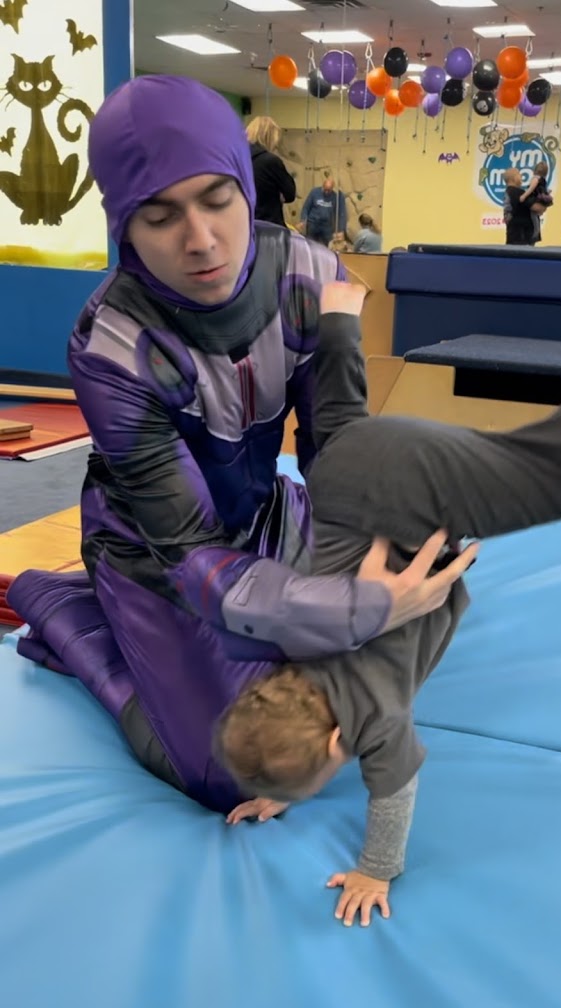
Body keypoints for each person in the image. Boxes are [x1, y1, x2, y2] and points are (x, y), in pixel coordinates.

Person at [6, 75, 473, 815]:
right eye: (160, 215)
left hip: (263, 516)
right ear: (123, 225)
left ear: (245, 189)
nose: (200, 240)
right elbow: (191, 554)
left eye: (217, 199)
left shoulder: (310, 276)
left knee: (437, 565)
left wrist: (383, 551)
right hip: (159, 553)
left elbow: (339, 457)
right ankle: (71, 614)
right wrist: (353, 614)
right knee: (235, 766)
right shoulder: (111, 346)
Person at [215, 281, 561, 928]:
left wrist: (376, 870)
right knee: (339, 426)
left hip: (419, 490)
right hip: (347, 470)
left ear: (341, 739)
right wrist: (278, 788)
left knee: (554, 480)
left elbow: (394, 793)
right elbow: (287, 717)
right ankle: (339, 318)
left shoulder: (373, 717)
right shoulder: (288, 651)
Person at [245, 115, 296, 228]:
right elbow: (290, 194)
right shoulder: (271, 162)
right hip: (269, 227)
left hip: (245, 225)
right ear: (270, 138)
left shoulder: (237, 159)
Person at [300, 178, 347, 246]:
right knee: (310, 244)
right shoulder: (314, 192)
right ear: (323, 186)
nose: (326, 192)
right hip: (313, 223)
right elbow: (306, 207)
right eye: (325, 189)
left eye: (329, 190)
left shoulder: (335, 197)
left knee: (328, 245)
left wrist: (341, 229)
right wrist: (303, 220)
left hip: (326, 225)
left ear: (332, 189)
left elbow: (341, 213)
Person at [519, 160, 553, 242]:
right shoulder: (543, 180)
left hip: (534, 198)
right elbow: (543, 189)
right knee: (535, 216)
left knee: (533, 215)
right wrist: (547, 192)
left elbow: (531, 189)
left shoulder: (535, 178)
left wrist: (524, 196)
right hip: (540, 198)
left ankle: (535, 232)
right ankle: (536, 231)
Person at [503, 169, 534, 245]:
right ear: (514, 178)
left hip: (512, 232)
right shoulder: (517, 192)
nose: (521, 176)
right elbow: (535, 207)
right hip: (521, 234)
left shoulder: (508, 191)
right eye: (519, 174)